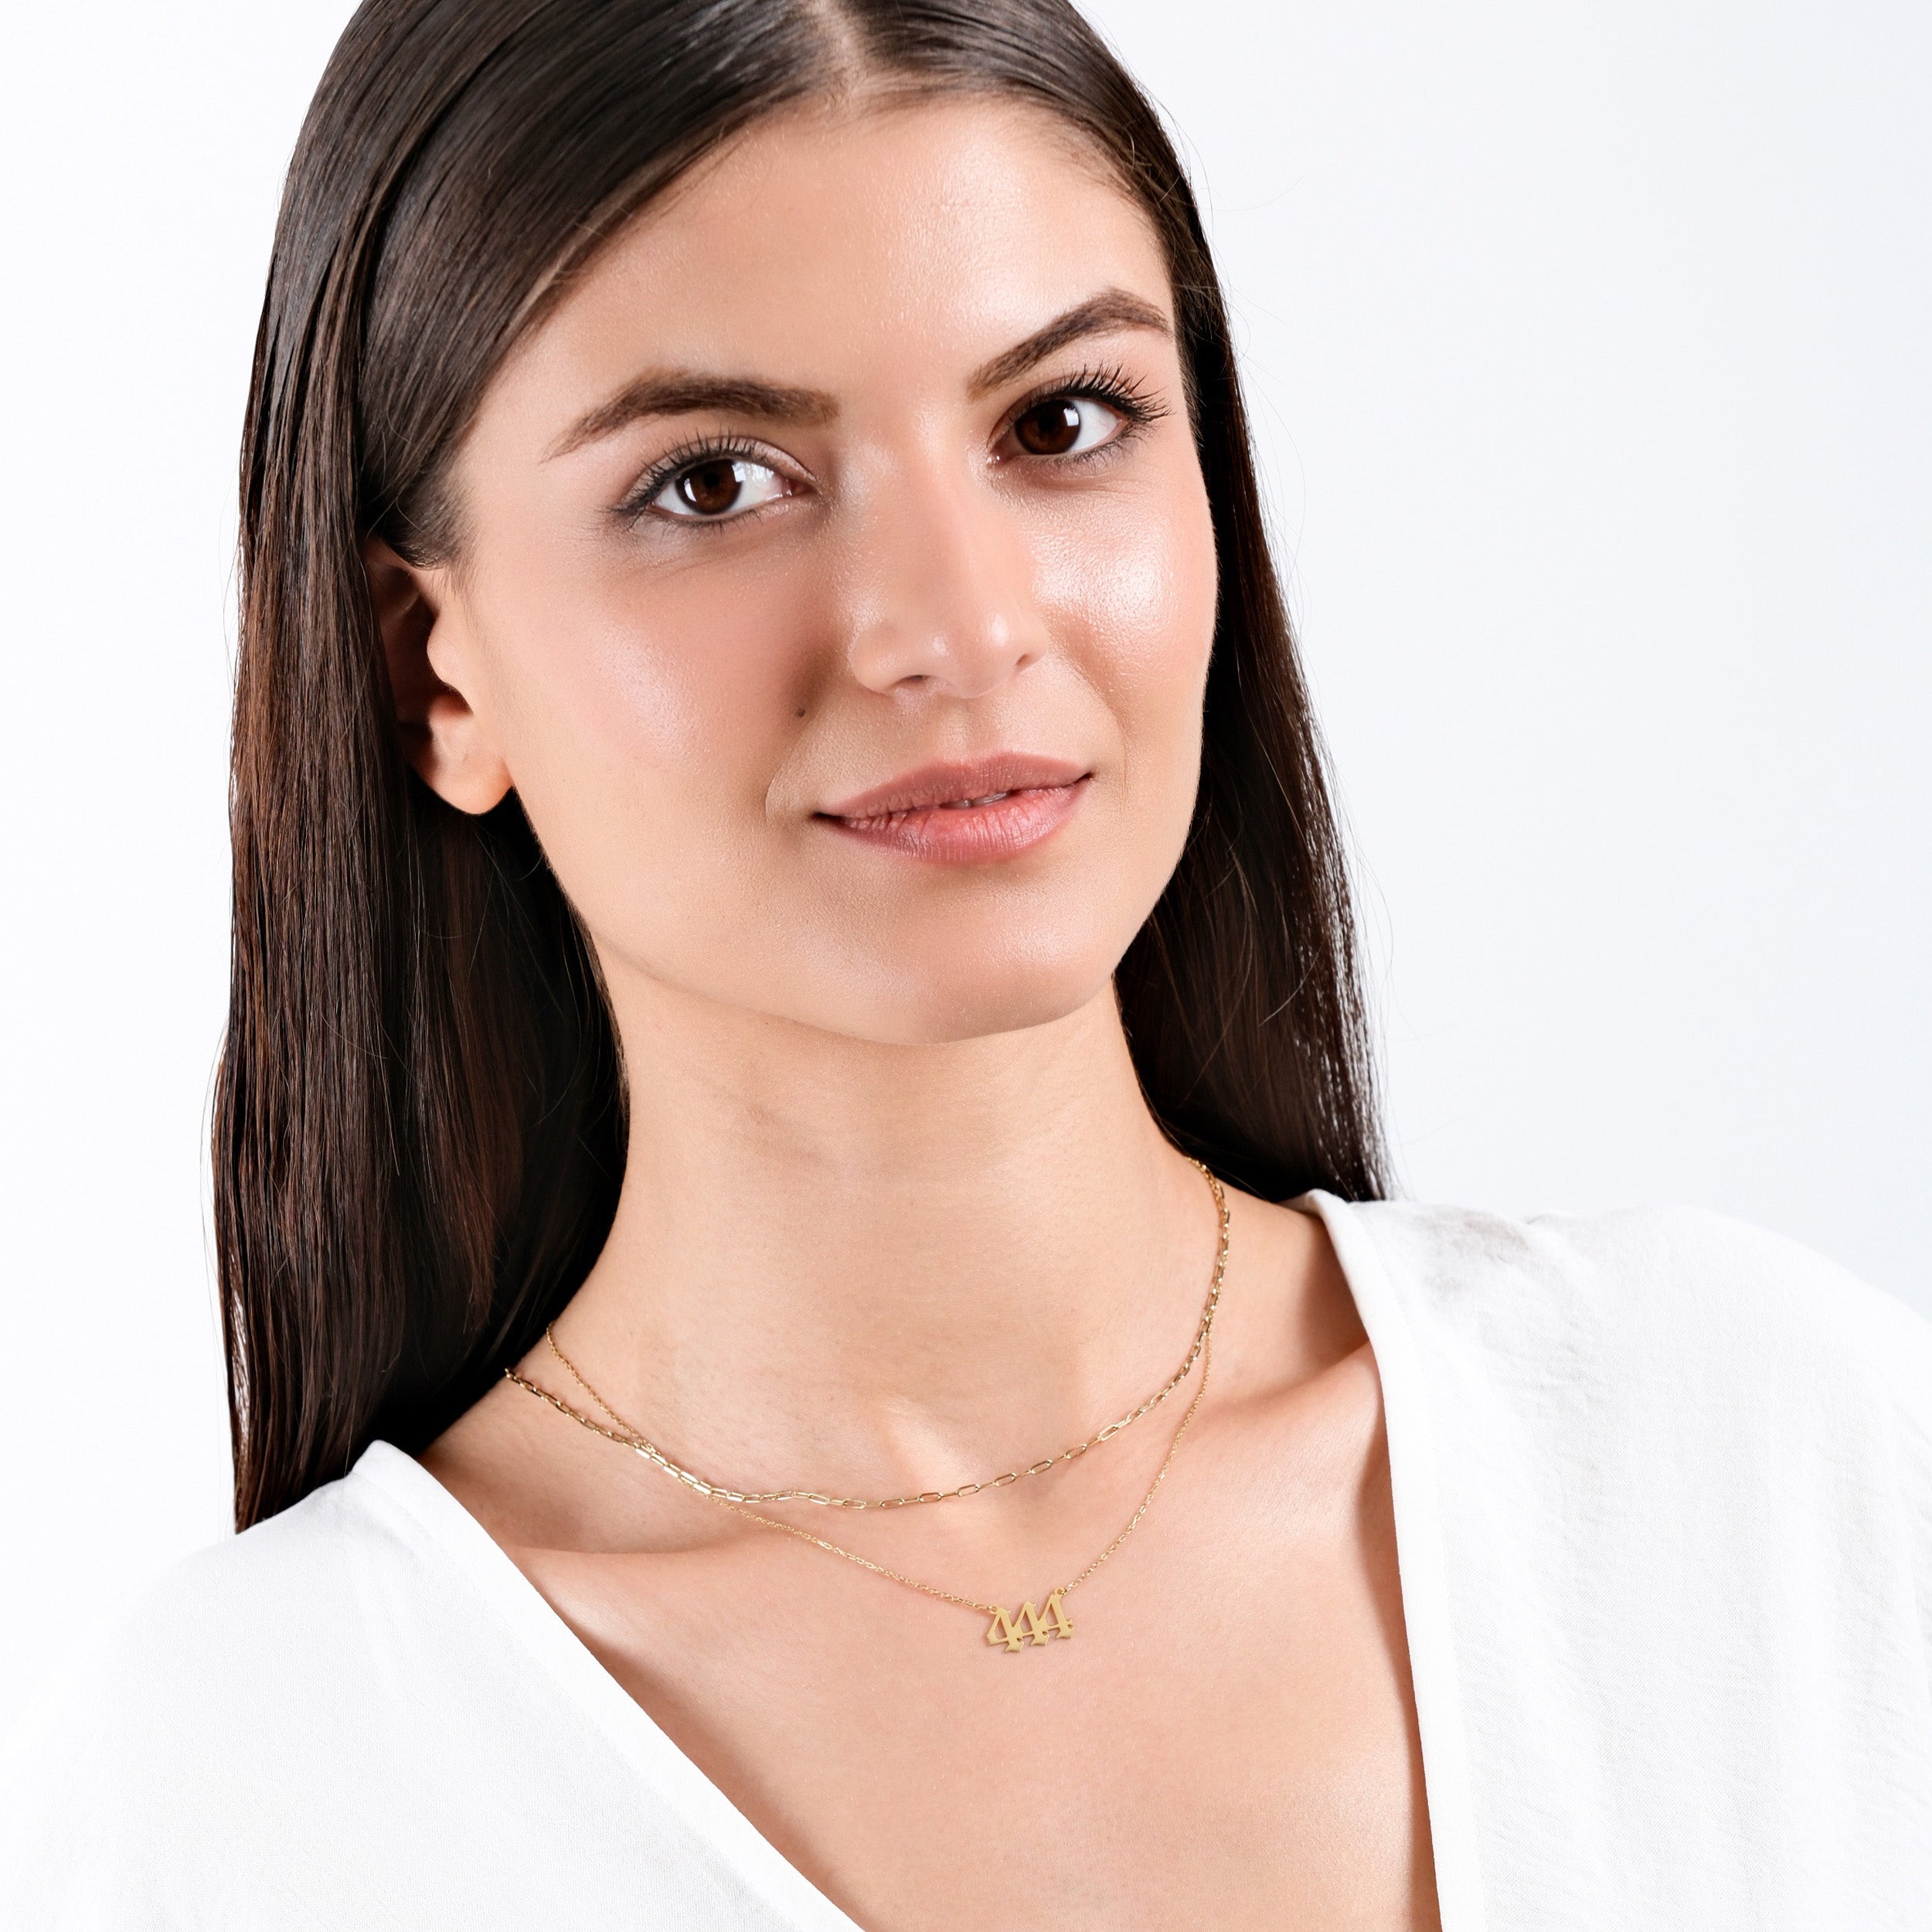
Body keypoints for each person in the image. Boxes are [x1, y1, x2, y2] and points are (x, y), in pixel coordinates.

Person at [3, 1, 1927, 1925]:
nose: (960, 621)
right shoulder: (236, 1794)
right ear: (432, 667)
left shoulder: (1756, 1467)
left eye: (1059, 422)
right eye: (710, 480)